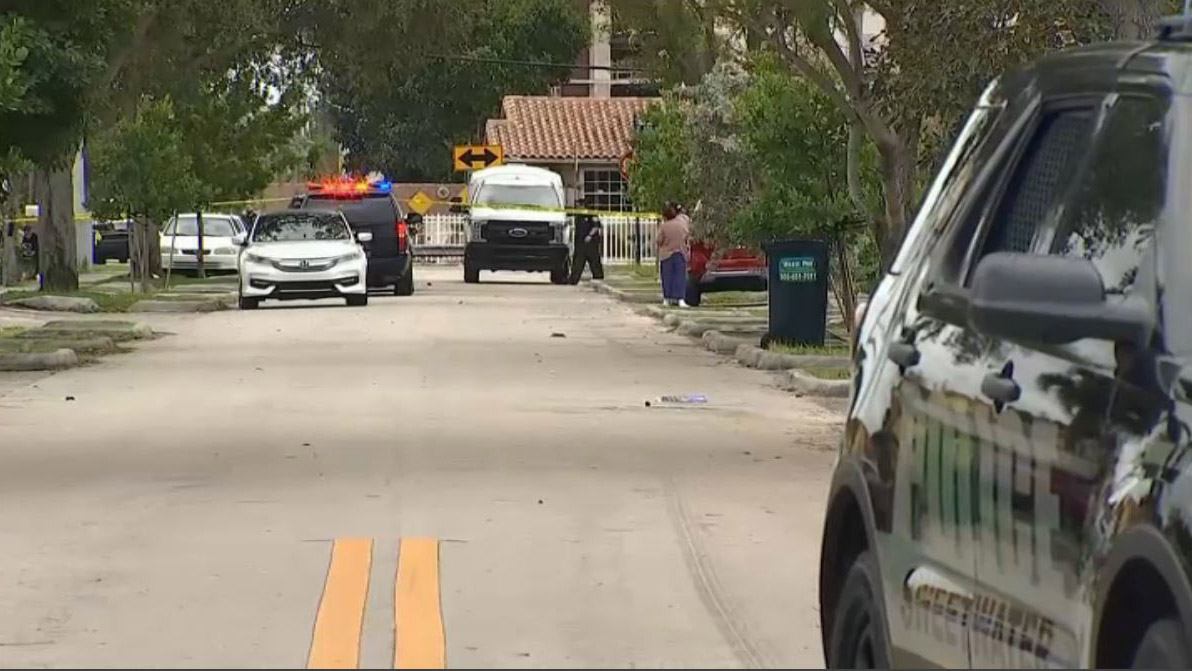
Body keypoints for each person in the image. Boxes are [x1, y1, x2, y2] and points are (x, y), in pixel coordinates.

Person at [656, 201, 691, 307]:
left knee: (667, 277)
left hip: (666, 255)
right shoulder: (682, 225)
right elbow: (687, 237)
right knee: (680, 277)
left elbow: (659, 240)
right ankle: (680, 299)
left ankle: (667, 299)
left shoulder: (664, 226)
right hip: (680, 253)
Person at [568, 196, 604, 284]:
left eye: (579, 205)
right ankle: (574, 279)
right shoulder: (578, 215)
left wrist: (590, 235)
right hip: (580, 242)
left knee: (594, 260)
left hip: (591, 242)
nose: (577, 207)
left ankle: (598, 276)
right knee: (578, 261)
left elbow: (596, 226)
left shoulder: (591, 213)